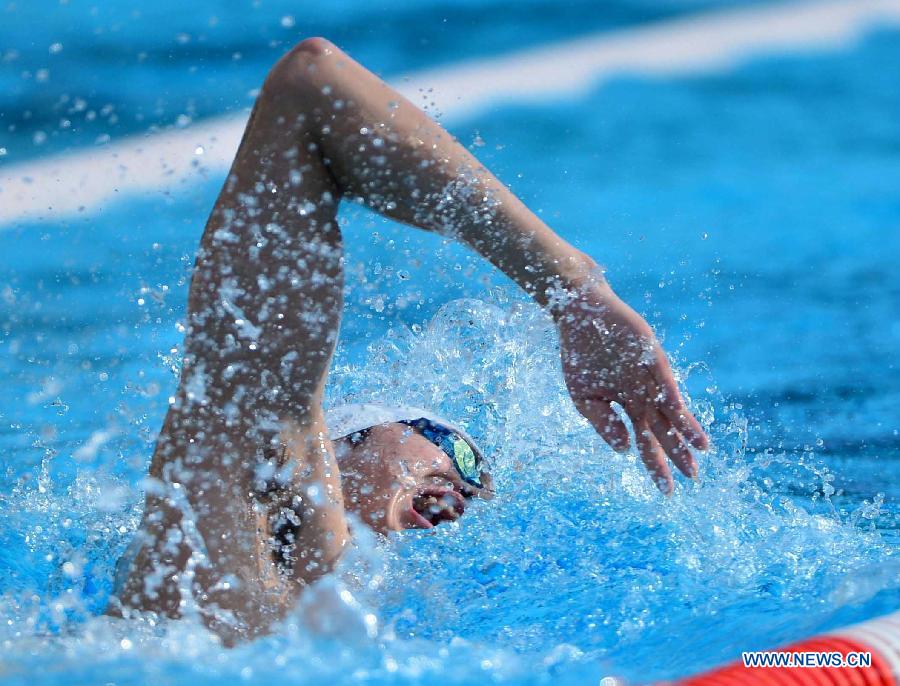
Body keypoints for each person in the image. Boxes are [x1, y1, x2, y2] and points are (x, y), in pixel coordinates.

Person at [107, 37, 709, 644]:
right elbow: (311, 85)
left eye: (479, 482)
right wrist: (572, 289)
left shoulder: (353, 628)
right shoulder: (224, 522)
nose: (472, 488)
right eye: (457, 448)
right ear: (338, 448)